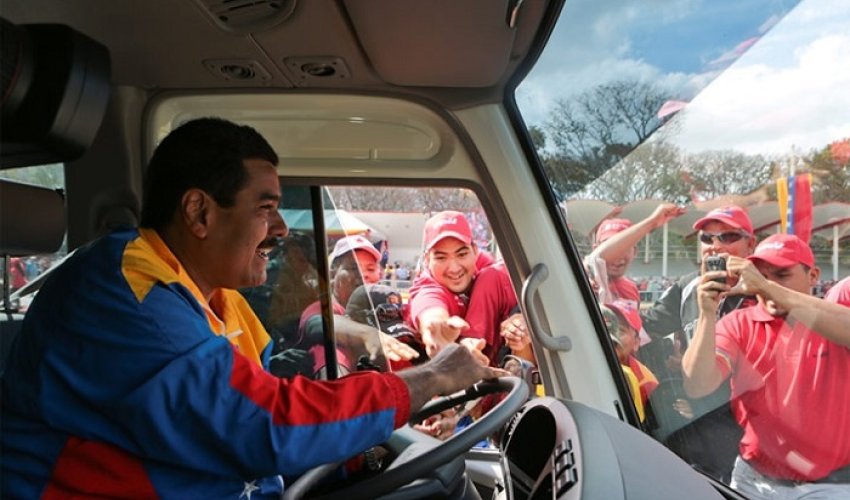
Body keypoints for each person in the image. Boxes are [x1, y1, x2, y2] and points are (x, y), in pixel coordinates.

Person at [0, 118, 504, 498]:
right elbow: (266, 424)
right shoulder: (132, 295)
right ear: (199, 212)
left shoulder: (214, 297)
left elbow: (269, 403)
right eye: (265, 209)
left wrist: (363, 449)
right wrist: (431, 378)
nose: (281, 229)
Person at [682, 234, 850, 498]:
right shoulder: (738, 323)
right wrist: (707, 314)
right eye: (760, 275)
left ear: (813, 275)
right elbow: (697, 385)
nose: (765, 285)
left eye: (781, 275)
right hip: (753, 482)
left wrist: (765, 286)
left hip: (830, 486)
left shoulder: (833, 321)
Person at [408, 211, 532, 367]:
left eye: (461, 254)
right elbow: (429, 309)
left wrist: (522, 319)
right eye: (441, 257)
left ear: (475, 251)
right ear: (427, 259)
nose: (453, 268)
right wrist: (437, 331)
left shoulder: (491, 273)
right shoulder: (427, 288)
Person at [601, 300, 659, 424]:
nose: (610, 335)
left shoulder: (646, 383)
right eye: (605, 326)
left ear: (636, 342)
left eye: (620, 330)